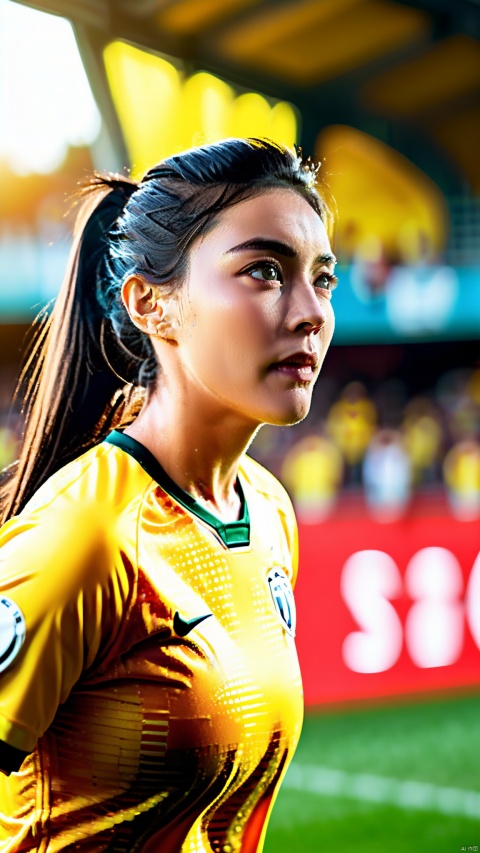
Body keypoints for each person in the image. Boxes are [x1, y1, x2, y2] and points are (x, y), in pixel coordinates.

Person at [0, 138, 336, 852]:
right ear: (152, 304)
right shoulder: (85, 534)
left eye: (323, 279)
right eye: (265, 271)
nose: (311, 312)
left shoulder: (269, 512)